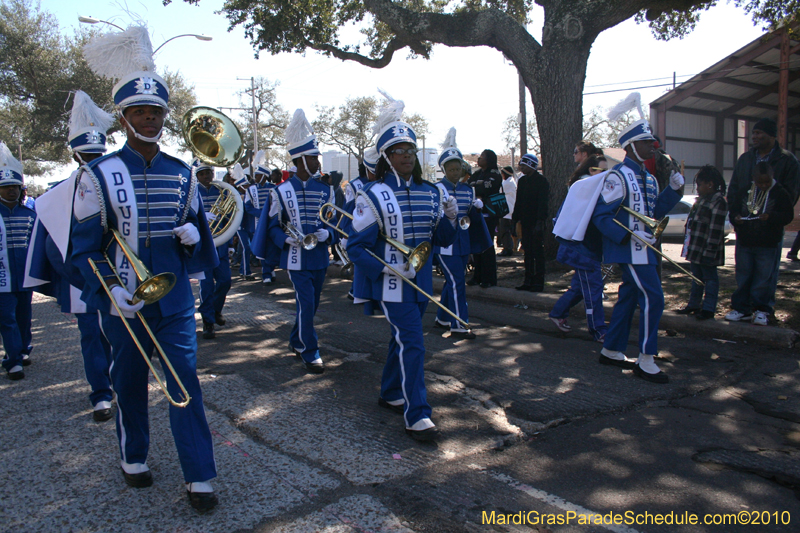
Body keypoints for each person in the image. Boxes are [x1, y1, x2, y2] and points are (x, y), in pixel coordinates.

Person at [74, 25, 220, 511]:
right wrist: (110, 289)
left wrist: (196, 235)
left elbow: (198, 237)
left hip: (174, 300)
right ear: (123, 117)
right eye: (139, 111)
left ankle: (199, 474)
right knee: (130, 383)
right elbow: (84, 249)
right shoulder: (97, 174)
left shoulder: (183, 173)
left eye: (155, 111)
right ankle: (133, 454)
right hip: (125, 302)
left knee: (185, 381)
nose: (149, 118)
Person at [347, 94, 457, 441]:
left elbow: (441, 238)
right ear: (386, 157)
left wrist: (451, 218)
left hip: (422, 281)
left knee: (403, 341)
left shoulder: (432, 192)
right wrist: (386, 269)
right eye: (398, 151)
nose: (407, 155)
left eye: (410, 149)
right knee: (413, 344)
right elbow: (355, 248)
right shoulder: (372, 195)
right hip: (392, 284)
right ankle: (417, 415)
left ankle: (390, 391)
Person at [24, 90, 114, 419]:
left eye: (98, 155)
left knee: (118, 335)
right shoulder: (57, 194)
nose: (93, 160)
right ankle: (101, 392)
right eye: (87, 156)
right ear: (76, 156)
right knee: (91, 335)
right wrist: (82, 277)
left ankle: (119, 381)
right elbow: (51, 247)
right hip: (81, 280)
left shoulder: (118, 185)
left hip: (120, 276)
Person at [590, 95, 683, 384]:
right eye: (646, 142)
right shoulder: (616, 177)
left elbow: (653, 213)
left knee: (629, 298)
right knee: (654, 297)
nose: (652, 146)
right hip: (629, 250)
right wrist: (628, 234)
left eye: (652, 142)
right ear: (630, 145)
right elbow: (601, 217)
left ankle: (611, 350)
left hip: (645, 250)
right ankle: (646, 359)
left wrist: (674, 192)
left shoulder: (651, 179)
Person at [265, 109, 336, 374]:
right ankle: (310, 350)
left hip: (319, 257)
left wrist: (329, 234)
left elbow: (335, 222)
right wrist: (286, 240)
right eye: (313, 157)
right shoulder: (280, 191)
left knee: (312, 305)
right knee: (306, 303)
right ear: (300, 160)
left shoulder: (326, 189)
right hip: (295, 259)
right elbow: (272, 227)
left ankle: (296, 339)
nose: (318, 162)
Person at [433, 128, 489, 339]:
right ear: (444, 170)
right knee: (457, 281)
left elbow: (469, 219)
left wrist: (477, 209)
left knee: (454, 280)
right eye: (451, 169)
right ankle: (459, 324)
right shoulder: (437, 189)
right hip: (445, 244)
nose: (455, 172)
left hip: (463, 242)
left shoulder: (468, 190)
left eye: (458, 168)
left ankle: (442, 318)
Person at [725, 162, 794, 326]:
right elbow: (734, 209)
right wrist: (736, 218)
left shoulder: (780, 193)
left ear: (772, 177)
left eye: (766, 182)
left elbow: (787, 216)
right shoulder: (745, 191)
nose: (763, 185)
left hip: (767, 244)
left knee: (763, 278)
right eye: (760, 182)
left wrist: (771, 217)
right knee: (743, 276)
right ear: (753, 179)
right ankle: (742, 309)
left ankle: (762, 309)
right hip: (745, 241)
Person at [549, 155, 609, 341]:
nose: (607, 175)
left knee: (580, 287)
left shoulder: (590, 186)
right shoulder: (585, 187)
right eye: (603, 171)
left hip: (585, 247)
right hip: (582, 248)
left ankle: (558, 313)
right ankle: (598, 329)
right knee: (594, 289)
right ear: (591, 170)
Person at [0, 142, 36, 381]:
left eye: (14, 187)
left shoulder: (30, 215)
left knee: (24, 317)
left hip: (24, 276)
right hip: (2, 278)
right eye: (6, 187)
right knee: (7, 318)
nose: (11, 191)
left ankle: (23, 349)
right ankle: (12, 361)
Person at [674, 165, 728, 320]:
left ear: (710, 184)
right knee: (696, 278)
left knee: (710, 279)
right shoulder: (701, 200)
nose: (697, 188)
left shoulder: (718, 201)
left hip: (708, 249)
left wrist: (709, 250)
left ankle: (708, 309)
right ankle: (694, 304)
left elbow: (715, 229)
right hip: (696, 247)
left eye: (699, 185)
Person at [196, 159, 233, 339]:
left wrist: (230, 243)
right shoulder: (193, 192)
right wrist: (201, 216)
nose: (206, 177)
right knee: (206, 286)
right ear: (197, 176)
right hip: (203, 245)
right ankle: (208, 321)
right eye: (202, 174)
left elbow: (229, 219)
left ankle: (216, 310)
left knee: (225, 281)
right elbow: (186, 216)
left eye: (208, 173)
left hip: (221, 243)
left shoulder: (222, 191)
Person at [512, 154, 549, 292]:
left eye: (523, 165)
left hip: (536, 222)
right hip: (525, 222)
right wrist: (515, 219)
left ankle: (538, 282)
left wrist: (540, 221)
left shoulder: (542, 181)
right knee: (527, 252)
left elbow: (543, 203)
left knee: (537, 253)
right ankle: (528, 280)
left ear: (531, 166)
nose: (521, 167)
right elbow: (518, 202)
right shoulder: (522, 181)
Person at [467, 149, 502, 288]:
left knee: (487, 246)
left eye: (482, 157)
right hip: (476, 214)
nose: (479, 159)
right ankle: (477, 276)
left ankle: (489, 278)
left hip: (489, 214)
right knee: (477, 246)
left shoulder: (494, 174)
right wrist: (477, 188)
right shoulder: (478, 173)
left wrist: (477, 188)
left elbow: (486, 188)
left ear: (488, 160)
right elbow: (469, 186)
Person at [245, 151, 278, 284]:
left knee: (272, 248)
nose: (255, 177)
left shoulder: (274, 188)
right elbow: (248, 207)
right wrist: (262, 214)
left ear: (264, 176)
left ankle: (270, 269)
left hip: (272, 223)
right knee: (261, 248)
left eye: (258, 175)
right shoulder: (250, 189)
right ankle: (266, 274)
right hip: (258, 223)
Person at [497, 166, 517, 256]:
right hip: (507, 210)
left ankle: (507, 249)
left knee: (505, 231)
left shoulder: (508, 183)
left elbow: (499, 190)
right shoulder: (511, 181)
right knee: (505, 231)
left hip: (507, 211)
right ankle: (508, 247)